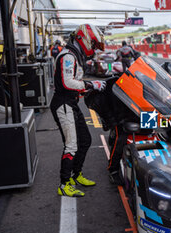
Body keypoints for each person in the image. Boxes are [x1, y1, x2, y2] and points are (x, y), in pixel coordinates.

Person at [50, 24, 106, 197]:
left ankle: (76, 175)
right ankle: (64, 184)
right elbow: (68, 83)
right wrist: (91, 84)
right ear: (85, 39)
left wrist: (86, 88)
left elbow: (72, 83)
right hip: (63, 103)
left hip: (71, 103)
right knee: (72, 145)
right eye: (94, 45)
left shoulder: (73, 54)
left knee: (85, 140)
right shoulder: (68, 56)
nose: (94, 49)